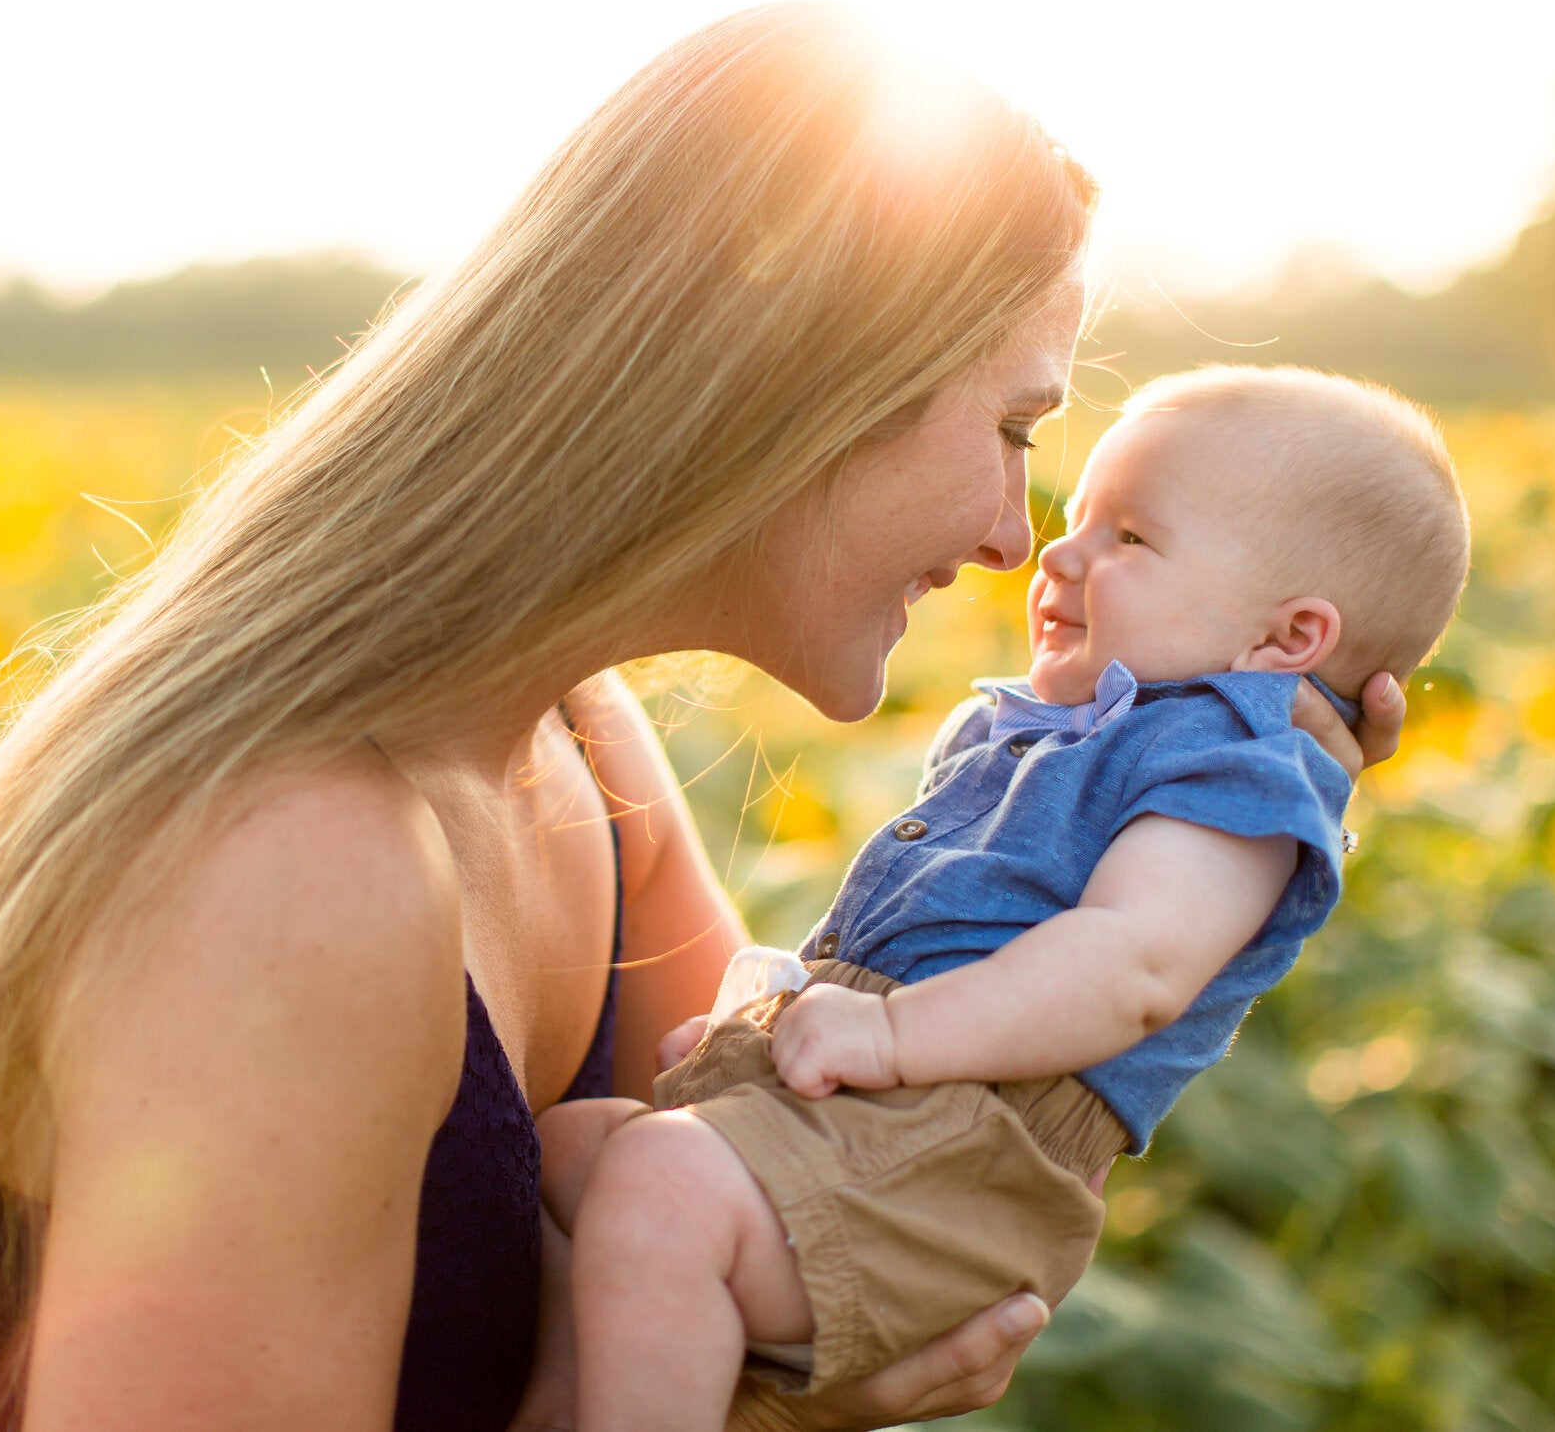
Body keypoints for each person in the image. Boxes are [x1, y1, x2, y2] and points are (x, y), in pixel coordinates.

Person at [0, 6, 1404, 1432]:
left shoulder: (580, 761)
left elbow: (810, 1171)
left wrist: (1234, 754)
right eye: (1017, 428)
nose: (1010, 534)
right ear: (795, 381)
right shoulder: (294, 870)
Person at [551, 367, 1467, 1431]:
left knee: (660, 1185)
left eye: (1129, 537)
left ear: (1288, 640)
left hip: (965, 1131)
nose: (1055, 553)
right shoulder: (1072, 725)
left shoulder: (1236, 775)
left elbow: (1133, 964)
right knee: (576, 1147)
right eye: (1077, 520)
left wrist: (891, 1031)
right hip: (874, 1094)